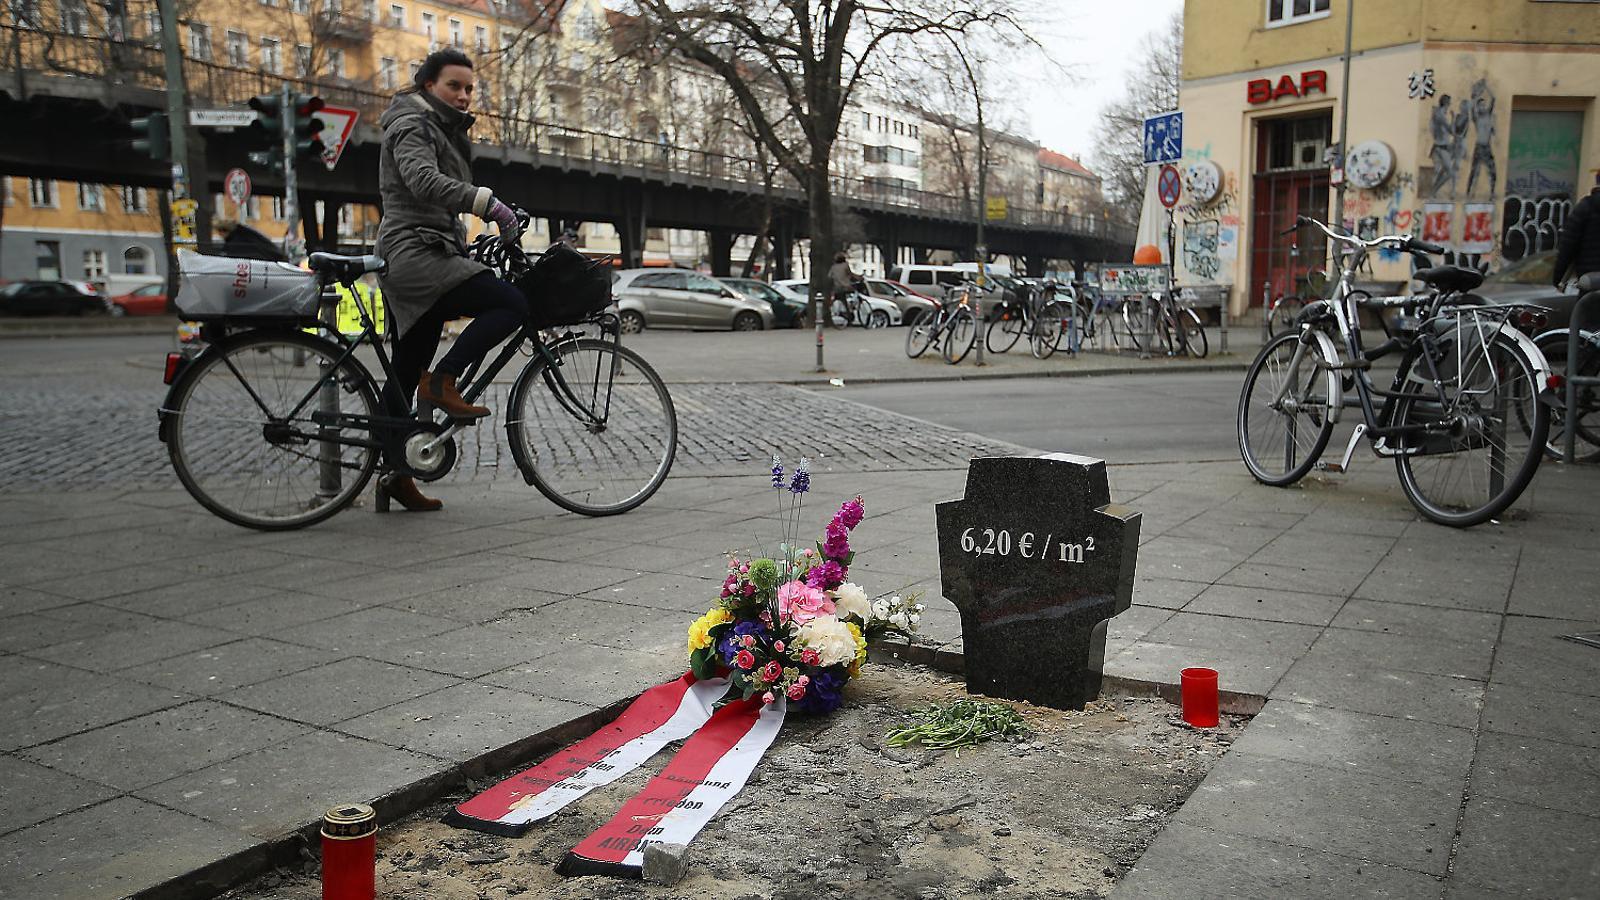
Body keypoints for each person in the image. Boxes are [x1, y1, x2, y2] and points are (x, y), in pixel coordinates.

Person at [374, 47, 526, 511]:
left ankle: (393, 476)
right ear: (428, 86)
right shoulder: (413, 124)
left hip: (428, 250)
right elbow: (422, 181)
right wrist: (488, 204)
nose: (463, 95)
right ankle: (443, 382)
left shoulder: (437, 126)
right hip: (415, 255)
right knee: (512, 304)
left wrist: (474, 230)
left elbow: (438, 202)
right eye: (453, 86)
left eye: (468, 88)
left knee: (403, 372)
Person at [1553, 173, 1600, 290]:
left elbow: (1568, 245)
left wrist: (1558, 278)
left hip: (1590, 281)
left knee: (1588, 307)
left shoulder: (1586, 207)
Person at [827, 252, 860, 327]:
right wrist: (858, 277)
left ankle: (841, 312)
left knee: (840, 300)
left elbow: (829, 276)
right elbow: (850, 274)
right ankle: (850, 310)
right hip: (846, 287)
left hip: (837, 288)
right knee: (856, 294)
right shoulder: (845, 265)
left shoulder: (833, 267)